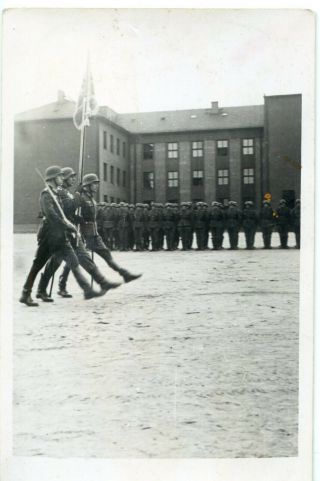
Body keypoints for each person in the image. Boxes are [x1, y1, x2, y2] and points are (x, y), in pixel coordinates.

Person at [19, 166, 103, 306]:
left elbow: (64, 212)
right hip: (49, 236)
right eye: (59, 176)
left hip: (61, 236)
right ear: (52, 179)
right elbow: (51, 216)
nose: (61, 178)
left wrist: (73, 220)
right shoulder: (46, 195)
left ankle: (87, 289)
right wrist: (67, 225)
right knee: (38, 264)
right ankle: (26, 292)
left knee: (73, 260)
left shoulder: (56, 194)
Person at [36, 167, 121, 301]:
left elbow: (68, 212)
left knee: (78, 257)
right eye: (71, 177)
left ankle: (99, 282)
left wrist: (76, 218)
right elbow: (67, 207)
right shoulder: (59, 192)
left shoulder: (67, 192)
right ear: (64, 178)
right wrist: (78, 194)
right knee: (58, 261)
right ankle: (43, 288)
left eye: (74, 176)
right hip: (60, 232)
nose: (74, 179)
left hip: (70, 231)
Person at [78, 173, 142, 282]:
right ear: (87, 185)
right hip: (84, 234)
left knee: (106, 253)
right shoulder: (81, 198)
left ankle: (124, 274)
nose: (97, 186)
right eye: (94, 184)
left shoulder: (92, 199)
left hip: (94, 234)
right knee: (76, 259)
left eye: (97, 183)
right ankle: (62, 283)